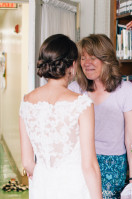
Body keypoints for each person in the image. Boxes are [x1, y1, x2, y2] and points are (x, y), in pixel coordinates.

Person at [19, 34, 102, 199]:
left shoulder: (27, 102)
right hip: (74, 187)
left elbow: (27, 162)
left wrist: (45, 179)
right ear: (72, 65)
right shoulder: (82, 104)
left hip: (42, 186)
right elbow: (89, 165)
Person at [68, 34, 132, 198]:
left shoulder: (127, 90)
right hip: (80, 161)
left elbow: (131, 138)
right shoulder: (74, 89)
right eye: (83, 58)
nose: (86, 63)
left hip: (112, 165)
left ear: (106, 60)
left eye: (93, 58)